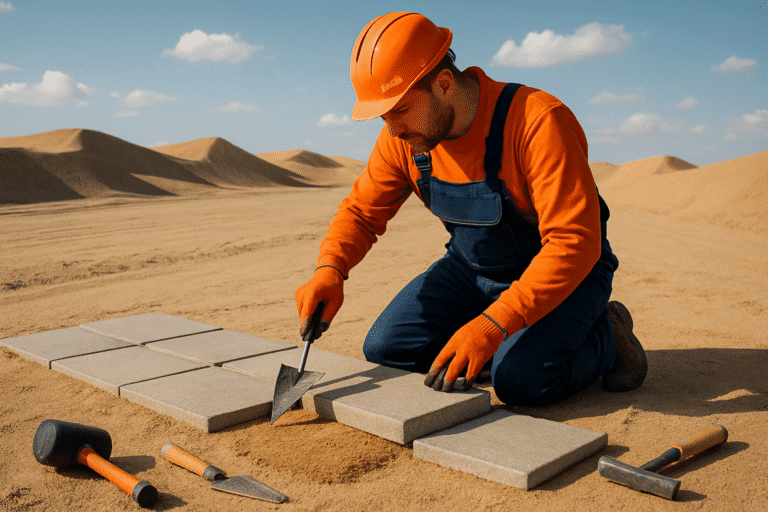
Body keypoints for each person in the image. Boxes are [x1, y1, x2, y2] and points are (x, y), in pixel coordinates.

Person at [294, 12, 647, 406]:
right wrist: (330, 268)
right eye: (384, 115)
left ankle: (606, 337)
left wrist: (493, 324)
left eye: (400, 110)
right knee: (386, 350)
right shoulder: (404, 139)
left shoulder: (537, 122)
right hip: (472, 271)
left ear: (444, 84)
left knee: (521, 382)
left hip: (566, 274)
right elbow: (361, 212)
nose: (392, 130)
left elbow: (575, 243)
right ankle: (506, 348)